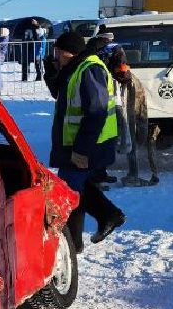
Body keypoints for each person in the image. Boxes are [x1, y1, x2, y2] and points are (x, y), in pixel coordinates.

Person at [51, 31, 125, 247]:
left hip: (88, 145)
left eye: (57, 52)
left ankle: (80, 238)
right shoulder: (75, 68)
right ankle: (100, 222)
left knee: (70, 190)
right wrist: (51, 73)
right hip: (76, 143)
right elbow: (61, 95)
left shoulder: (90, 69)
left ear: (66, 52)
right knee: (76, 188)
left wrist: (82, 150)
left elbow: (97, 112)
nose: (55, 56)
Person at [108, 48, 159, 186]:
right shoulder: (120, 78)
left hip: (129, 116)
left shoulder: (130, 81)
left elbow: (139, 107)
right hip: (121, 114)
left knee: (131, 139)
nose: (121, 73)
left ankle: (133, 174)